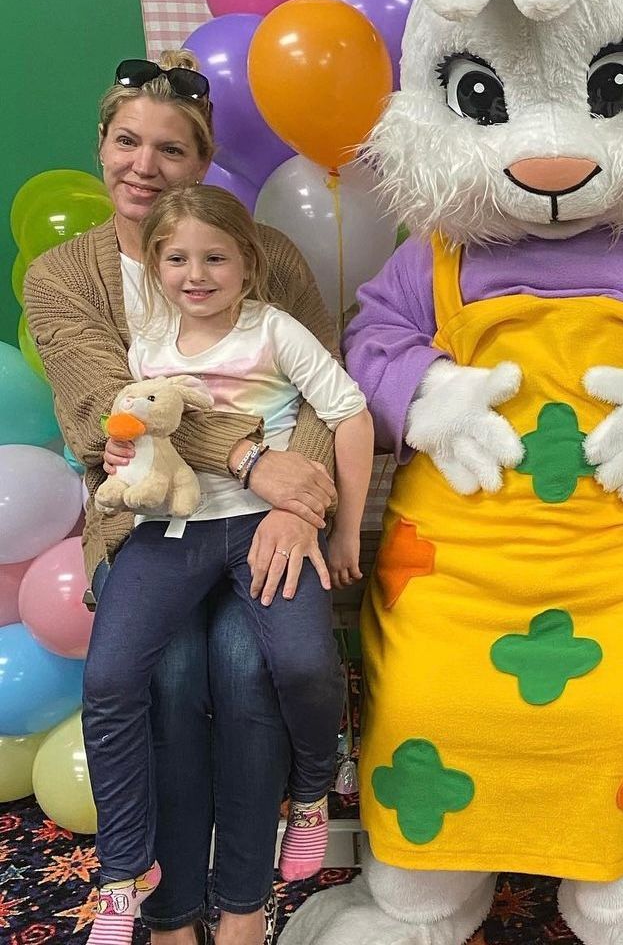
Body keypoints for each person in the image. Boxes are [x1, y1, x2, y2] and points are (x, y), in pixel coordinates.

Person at [24, 53, 342, 945]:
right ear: (101, 144)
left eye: (170, 149)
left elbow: (325, 390)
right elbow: (106, 414)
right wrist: (248, 456)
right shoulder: (62, 277)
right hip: (144, 528)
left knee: (247, 670)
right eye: (127, 141)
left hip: (264, 527)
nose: (144, 166)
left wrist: (295, 502)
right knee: (162, 676)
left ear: (200, 163)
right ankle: (167, 917)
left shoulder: (264, 255)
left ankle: (241, 908)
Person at [79, 182, 374, 945]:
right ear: (155, 266)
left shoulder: (273, 329)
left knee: (302, 665)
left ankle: (312, 792)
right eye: (176, 259)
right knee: (110, 680)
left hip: (261, 532)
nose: (196, 274)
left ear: (247, 263)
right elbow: (135, 436)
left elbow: (349, 413)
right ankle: (124, 874)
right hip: (172, 532)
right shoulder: (147, 347)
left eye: (214, 258)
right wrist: (122, 453)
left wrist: (344, 531)